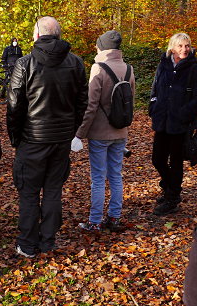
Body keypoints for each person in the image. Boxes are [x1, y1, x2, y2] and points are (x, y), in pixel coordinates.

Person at [7, 16, 88, 258]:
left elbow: (14, 106)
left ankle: (29, 243)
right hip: (55, 138)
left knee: (30, 191)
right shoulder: (73, 62)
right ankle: (46, 241)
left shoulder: (27, 63)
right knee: (52, 190)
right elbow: (81, 102)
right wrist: (70, 130)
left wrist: (16, 137)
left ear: (37, 35)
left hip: (35, 139)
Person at [75, 30, 135, 232]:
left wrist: (80, 134)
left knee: (99, 178)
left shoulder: (97, 68)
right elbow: (130, 101)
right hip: (120, 132)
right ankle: (114, 218)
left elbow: (91, 106)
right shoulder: (128, 68)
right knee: (116, 176)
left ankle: (94, 221)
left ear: (102, 46)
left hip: (100, 134)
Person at [148, 32, 197, 215]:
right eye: (180, 46)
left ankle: (173, 197)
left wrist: (183, 114)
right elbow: (155, 89)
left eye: (187, 46)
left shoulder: (195, 70)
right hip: (162, 121)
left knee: (176, 162)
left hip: (180, 124)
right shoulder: (163, 66)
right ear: (172, 47)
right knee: (157, 159)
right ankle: (169, 187)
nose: (184, 49)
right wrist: (154, 108)